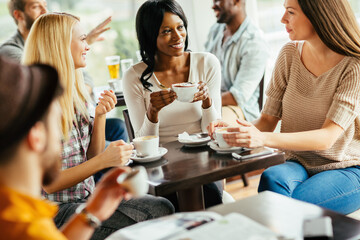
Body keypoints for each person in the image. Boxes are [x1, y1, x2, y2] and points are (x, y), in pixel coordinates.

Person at [23, 12, 174, 240]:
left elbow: (91, 155)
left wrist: (100, 115)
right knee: (158, 211)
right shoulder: (40, 104)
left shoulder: (77, 91)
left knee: (163, 205)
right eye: (82, 39)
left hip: (85, 198)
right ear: (61, 44)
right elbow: (51, 184)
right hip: (54, 212)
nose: (88, 46)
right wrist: (104, 161)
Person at [208, 0, 360, 215]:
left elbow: (326, 138)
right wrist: (232, 130)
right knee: (271, 180)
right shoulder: (289, 54)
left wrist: (263, 139)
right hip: (298, 162)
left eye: (290, 12)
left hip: (346, 168)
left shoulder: (354, 65)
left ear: (317, 15)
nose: (283, 19)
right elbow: (267, 121)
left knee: (289, 207)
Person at [0, 56, 133, 240]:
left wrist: (91, 213)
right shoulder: (30, 230)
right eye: (58, 126)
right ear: (36, 136)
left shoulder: (12, 212)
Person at [123, 0, 223, 209]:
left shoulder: (206, 63)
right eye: (166, 31)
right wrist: (153, 112)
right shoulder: (134, 77)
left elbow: (213, 131)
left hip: (205, 159)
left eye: (180, 27)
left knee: (208, 196)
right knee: (170, 206)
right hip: (160, 167)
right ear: (150, 36)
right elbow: (142, 145)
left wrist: (207, 103)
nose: (178, 37)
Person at [0, 0, 128, 147]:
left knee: (117, 127)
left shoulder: (65, 58)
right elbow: (44, 76)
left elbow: (82, 75)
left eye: (45, 5)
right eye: (36, 6)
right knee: (114, 146)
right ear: (18, 15)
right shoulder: (10, 52)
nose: (44, 11)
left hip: (75, 112)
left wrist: (78, 96)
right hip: (60, 121)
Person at [205, 0, 268, 125]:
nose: (213, 6)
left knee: (212, 126)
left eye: (218, 0)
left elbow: (236, 97)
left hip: (240, 110)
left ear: (237, 1)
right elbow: (203, 70)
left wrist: (203, 100)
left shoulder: (254, 42)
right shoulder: (216, 30)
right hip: (212, 102)